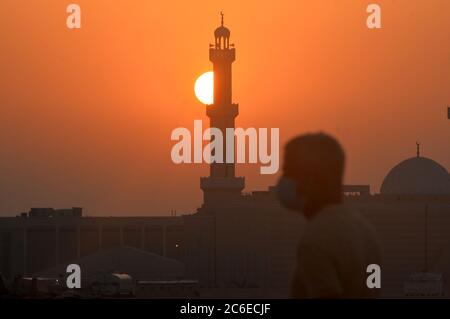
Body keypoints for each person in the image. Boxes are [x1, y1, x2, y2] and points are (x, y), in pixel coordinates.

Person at [277, 133, 382, 299]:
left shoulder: (316, 240)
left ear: (309, 179)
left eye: (288, 172)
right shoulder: (366, 231)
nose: (283, 181)